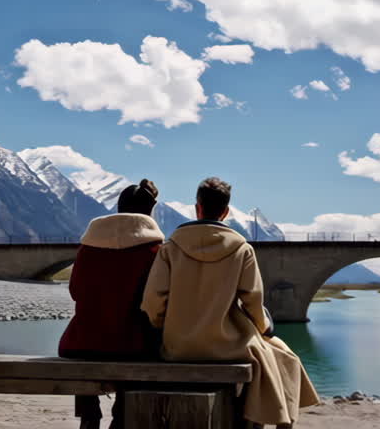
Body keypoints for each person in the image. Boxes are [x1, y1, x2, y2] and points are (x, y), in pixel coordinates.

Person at [141, 177, 319, 427]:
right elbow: (253, 302)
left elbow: (153, 302)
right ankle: (267, 420)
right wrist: (263, 326)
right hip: (228, 347)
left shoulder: (170, 248)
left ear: (197, 207)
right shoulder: (241, 249)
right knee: (283, 356)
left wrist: (164, 326)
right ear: (225, 212)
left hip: (177, 347)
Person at [59, 179, 164, 428]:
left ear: (118, 207)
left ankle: (89, 414)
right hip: (133, 346)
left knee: (86, 340)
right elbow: (158, 301)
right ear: (151, 212)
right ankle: (120, 416)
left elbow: (75, 291)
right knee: (145, 347)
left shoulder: (88, 247)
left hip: (81, 344)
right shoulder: (155, 251)